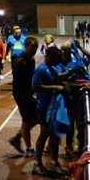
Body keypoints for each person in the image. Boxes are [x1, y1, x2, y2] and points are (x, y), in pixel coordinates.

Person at [31, 47, 71, 176]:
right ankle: (37, 164)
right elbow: (34, 86)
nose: (58, 63)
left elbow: (58, 77)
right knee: (44, 135)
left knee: (54, 135)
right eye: (56, 60)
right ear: (49, 57)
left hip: (53, 106)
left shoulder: (52, 68)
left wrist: (72, 71)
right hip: (44, 107)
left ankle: (54, 163)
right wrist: (55, 87)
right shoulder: (41, 69)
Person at [6, 37, 41, 157]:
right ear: (25, 46)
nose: (34, 51)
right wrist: (29, 97)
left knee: (35, 119)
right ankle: (29, 148)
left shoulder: (31, 59)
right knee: (27, 121)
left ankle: (16, 138)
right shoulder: (20, 61)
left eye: (36, 48)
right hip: (22, 95)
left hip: (29, 93)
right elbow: (19, 83)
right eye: (32, 48)